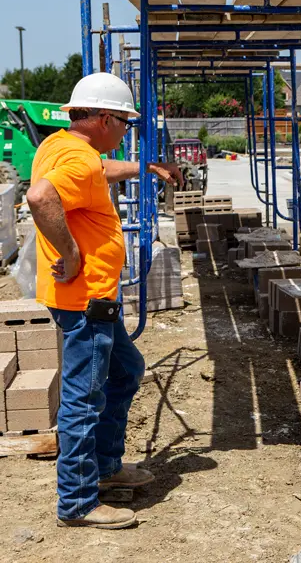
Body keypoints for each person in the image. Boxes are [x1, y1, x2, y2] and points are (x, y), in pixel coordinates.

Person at [26, 73, 183, 529]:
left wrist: (143, 167)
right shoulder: (76, 160)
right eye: (123, 123)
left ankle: (106, 469)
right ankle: (76, 502)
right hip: (85, 300)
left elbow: (94, 172)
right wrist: (72, 253)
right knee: (83, 398)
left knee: (127, 370)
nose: (124, 131)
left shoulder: (63, 146)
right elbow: (41, 196)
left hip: (93, 298)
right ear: (100, 118)